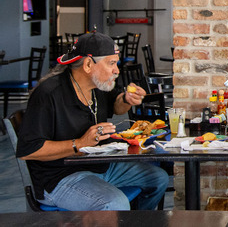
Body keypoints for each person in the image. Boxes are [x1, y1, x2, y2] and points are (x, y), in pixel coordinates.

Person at [15, 32, 169, 211]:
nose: (117, 70)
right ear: (88, 64)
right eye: (111, 63)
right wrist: (79, 144)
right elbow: (29, 150)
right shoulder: (49, 94)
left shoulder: (98, 85)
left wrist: (127, 99)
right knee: (114, 203)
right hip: (60, 178)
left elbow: (117, 106)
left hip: (99, 166)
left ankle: (134, 222)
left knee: (158, 179)